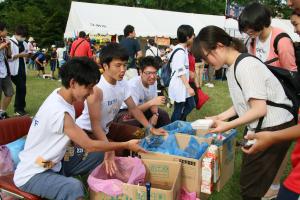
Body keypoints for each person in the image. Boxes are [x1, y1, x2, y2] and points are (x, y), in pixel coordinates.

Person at [13, 57, 145, 200]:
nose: (91, 92)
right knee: (73, 186)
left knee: (99, 154)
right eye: (88, 88)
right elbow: (89, 145)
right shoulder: (60, 112)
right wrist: (126, 144)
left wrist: (106, 149)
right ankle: (69, 187)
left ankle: (93, 187)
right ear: (73, 83)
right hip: (34, 172)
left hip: (51, 162)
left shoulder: (61, 94)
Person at [192, 25, 295, 200]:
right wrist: (220, 117)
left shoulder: (245, 66)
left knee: (251, 186)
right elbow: (244, 102)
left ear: (219, 46)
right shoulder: (233, 66)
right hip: (264, 125)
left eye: (205, 56)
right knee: (250, 180)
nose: (206, 62)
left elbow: (259, 109)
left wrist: (227, 125)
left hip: (274, 126)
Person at [239, 3, 298, 198]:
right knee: (261, 143)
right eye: (245, 28)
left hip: (282, 103)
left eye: (250, 28)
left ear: (262, 23)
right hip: (263, 102)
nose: (248, 32)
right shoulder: (252, 42)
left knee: (278, 146)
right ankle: (265, 183)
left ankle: (273, 185)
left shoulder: (281, 41)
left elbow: (292, 76)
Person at [76, 43, 166, 169]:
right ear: (105, 66)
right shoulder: (97, 89)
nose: (123, 69)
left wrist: (150, 128)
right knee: (117, 151)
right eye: (118, 65)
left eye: (125, 65)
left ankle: (143, 164)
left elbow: (134, 109)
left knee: (141, 134)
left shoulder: (122, 83)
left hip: (108, 127)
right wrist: (108, 147)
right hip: (88, 132)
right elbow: (95, 126)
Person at [238, 2, 297, 72]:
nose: (247, 31)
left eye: (250, 26)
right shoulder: (251, 39)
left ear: (261, 21)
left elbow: (291, 72)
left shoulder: (282, 41)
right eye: (245, 28)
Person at [116, 56, 170, 128]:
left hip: (143, 108)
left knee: (163, 115)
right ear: (140, 72)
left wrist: (155, 115)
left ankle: (164, 137)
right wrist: (152, 102)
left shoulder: (153, 82)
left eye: (155, 73)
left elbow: (154, 103)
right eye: (148, 73)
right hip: (125, 111)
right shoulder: (133, 85)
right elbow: (132, 111)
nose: (152, 76)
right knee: (133, 122)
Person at [168, 24, 195, 122]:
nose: (193, 38)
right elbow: (180, 71)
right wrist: (188, 87)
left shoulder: (182, 49)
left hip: (182, 83)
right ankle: (173, 126)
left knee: (190, 105)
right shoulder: (180, 51)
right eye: (192, 36)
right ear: (188, 37)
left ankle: (180, 122)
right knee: (179, 109)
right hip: (180, 84)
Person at [8, 25, 29, 116]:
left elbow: (26, 53)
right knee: (21, 87)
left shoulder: (24, 43)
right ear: (16, 34)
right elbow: (8, 58)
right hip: (13, 69)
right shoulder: (9, 42)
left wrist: (28, 55)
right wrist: (20, 55)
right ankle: (18, 109)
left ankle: (21, 108)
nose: (23, 38)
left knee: (22, 88)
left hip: (22, 68)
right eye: (21, 36)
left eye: (24, 36)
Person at [0, 21, 14, 119]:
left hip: (5, 71)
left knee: (10, 92)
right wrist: (2, 46)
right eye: (5, 30)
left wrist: (8, 47)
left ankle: (2, 112)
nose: (7, 32)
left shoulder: (4, 40)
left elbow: (9, 56)